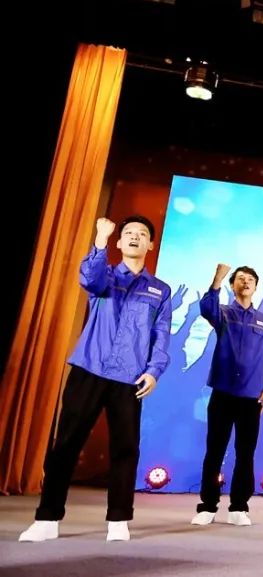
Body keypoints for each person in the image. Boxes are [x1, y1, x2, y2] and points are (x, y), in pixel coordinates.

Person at [20, 216, 172, 543]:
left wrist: (154, 370)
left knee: (125, 449)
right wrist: (100, 239)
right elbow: (88, 278)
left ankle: (118, 519)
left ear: (150, 244)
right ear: (119, 242)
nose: (134, 237)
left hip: (130, 378)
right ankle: (47, 517)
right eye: (128, 233)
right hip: (89, 369)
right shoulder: (105, 274)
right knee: (66, 444)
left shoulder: (160, 290)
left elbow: (161, 334)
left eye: (141, 234)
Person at [190, 264, 263, 527]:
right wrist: (217, 278)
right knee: (215, 451)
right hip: (223, 392)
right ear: (232, 285)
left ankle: (239, 507)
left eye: (250, 279)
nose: (246, 282)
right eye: (240, 278)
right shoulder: (224, 313)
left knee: (245, 453)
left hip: (251, 397)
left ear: (256, 286)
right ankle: (207, 506)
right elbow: (206, 308)